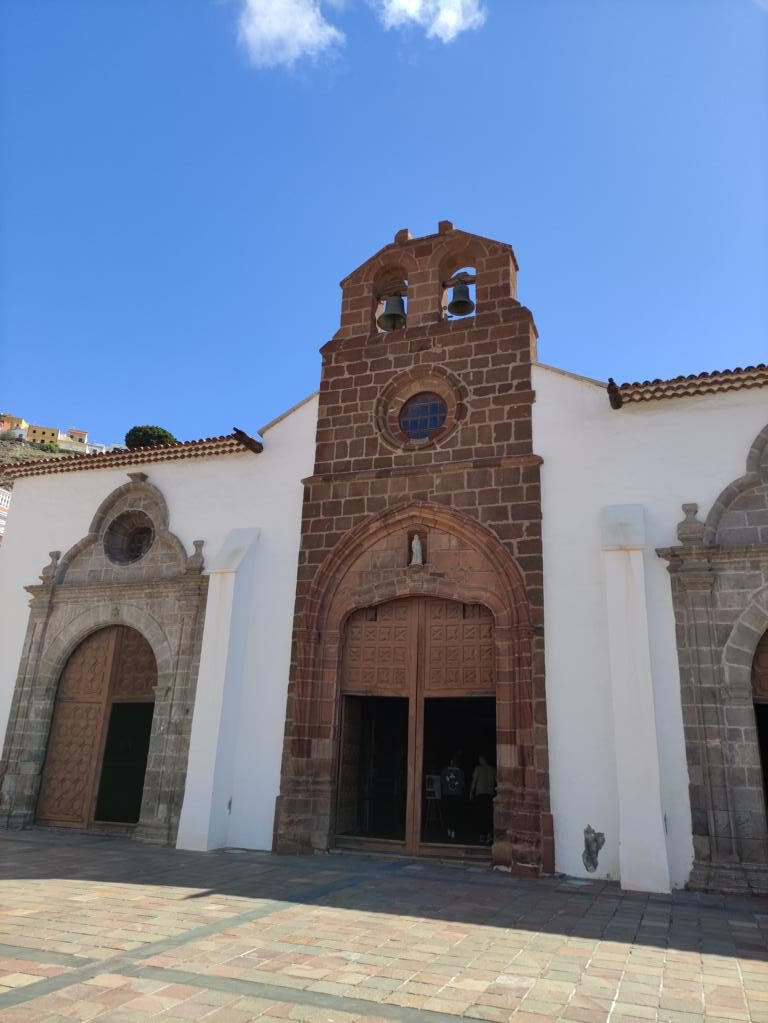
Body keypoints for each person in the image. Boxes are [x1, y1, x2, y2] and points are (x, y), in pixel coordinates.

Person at [469, 754, 496, 845]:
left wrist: (471, 792)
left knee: (481, 815)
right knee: (488, 815)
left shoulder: (478, 769)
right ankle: (489, 835)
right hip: (490, 794)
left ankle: (482, 835)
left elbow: (474, 781)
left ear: (483, 759)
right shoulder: (493, 770)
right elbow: (497, 782)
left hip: (481, 794)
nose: (479, 760)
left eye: (480, 759)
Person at [440, 757, 465, 840]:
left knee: (454, 813)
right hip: (448, 795)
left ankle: (452, 829)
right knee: (449, 812)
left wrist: (455, 783)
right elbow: (442, 780)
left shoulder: (460, 772)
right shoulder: (446, 771)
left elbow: (462, 784)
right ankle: (449, 829)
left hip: (454, 795)